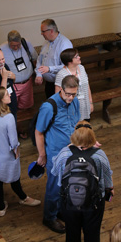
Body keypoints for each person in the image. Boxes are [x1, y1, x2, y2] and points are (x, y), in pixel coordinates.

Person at [52, 121, 114, 242]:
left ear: (74, 136)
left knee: (72, 232)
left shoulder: (64, 154)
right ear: (92, 137)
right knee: (92, 233)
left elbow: (55, 173)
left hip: (69, 203)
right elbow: (107, 183)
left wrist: (68, 148)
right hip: (93, 204)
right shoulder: (100, 155)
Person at [0, 86, 40, 216]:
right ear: (0, 100)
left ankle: (1, 207)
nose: (10, 96)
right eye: (7, 95)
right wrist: (16, 149)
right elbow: (13, 141)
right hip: (6, 155)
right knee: (14, 177)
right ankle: (23, 198)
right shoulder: (8, 117)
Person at [35, 75, 80, 233]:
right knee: (54, 187)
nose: (70, 98)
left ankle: (60, 210)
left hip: (72, 152)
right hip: (55, 155)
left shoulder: (76, 102)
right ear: (61, 89)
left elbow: (77, 125)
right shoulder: (49, 107)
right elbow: (39, 132)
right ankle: (49, 217)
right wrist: (42, 155)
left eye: (73, 94)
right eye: (68, 94)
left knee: (67, 185)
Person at [0, 31, 37, 139]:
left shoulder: (26, 44)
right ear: (8, 42)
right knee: (12, 108)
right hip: (13, 85)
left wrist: (38, 75)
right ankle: (17, 130)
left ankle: (26, 128)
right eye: (13, 46)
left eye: (18, 45)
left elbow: (34, 58)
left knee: (26, 107)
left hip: (27, 82)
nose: (16, 48)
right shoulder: (1, 49)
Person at [35, 19, 73, 98]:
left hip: (61, 84)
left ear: (51, 31)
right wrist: (39, 75)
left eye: (43, 31)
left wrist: (49, 69)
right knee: (51, 106)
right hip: (49, 84)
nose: (41, 34)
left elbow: (68, 66)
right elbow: (40, 59)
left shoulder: (65, 44)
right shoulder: (46, 42)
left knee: (60, 107)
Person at [55, 48, 93, 121]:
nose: (79, 57)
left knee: (85, 128)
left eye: (78, 55)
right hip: (71, 108)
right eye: (76, 56)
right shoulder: (61, 74)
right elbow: (57, 95)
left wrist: (90, 102)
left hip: (85, 105)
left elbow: (87, 86)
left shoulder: (81, 68)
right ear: (69, 61)